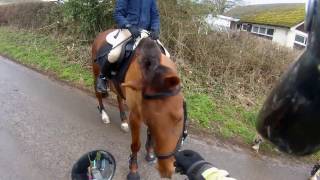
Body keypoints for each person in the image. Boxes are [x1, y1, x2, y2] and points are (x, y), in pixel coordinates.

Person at [96, 0, 160, 93]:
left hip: (146, 33)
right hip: (128, 30)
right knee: (115, 54)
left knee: (166, 55)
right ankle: (102, 77)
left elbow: (155, 16)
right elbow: (118, 14)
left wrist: (155, 29)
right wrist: (128, 25)